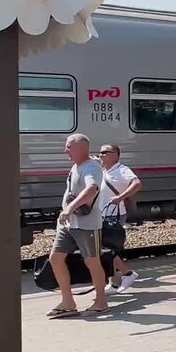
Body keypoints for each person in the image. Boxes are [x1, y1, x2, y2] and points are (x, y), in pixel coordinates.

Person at [46, 133, 109, 318]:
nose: (65, 150)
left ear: (81, 147)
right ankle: (68, 302)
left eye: (68, 146)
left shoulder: (91, 168)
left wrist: (70, 207)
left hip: (87, 225)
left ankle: (101, 302)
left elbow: (92, 189)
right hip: (69, 224)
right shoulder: (77, 166)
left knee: (92, 261)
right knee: (55, 259)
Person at [98, 144, 142, 294]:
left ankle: (127, 275)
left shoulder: (122, 169)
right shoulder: (103, 169)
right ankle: (115, 284)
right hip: (102, 213)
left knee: (108, 249)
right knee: (109, 249)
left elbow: (137, 184)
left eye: (105, 152)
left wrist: (121, 197)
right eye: (100, 152)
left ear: (115, 154)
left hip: (114, 214)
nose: (101, 155)